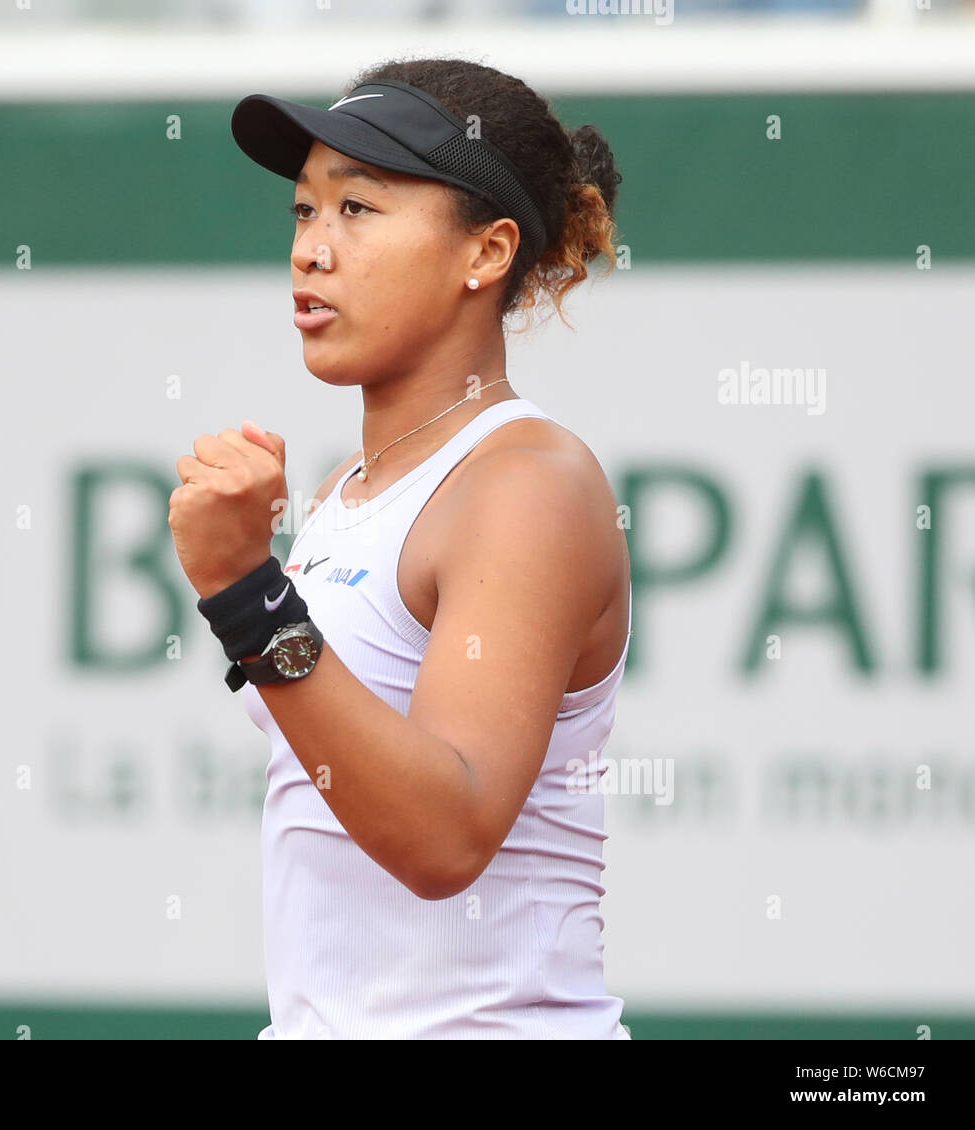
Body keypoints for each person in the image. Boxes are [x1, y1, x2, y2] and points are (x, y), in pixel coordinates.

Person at [167, 57, 630, 1039]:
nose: (310, 250)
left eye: (358, 210)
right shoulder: (346, 489)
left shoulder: (528, 484)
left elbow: (443, 834)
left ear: (486, 252)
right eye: (303, 213)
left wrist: (247, 590)